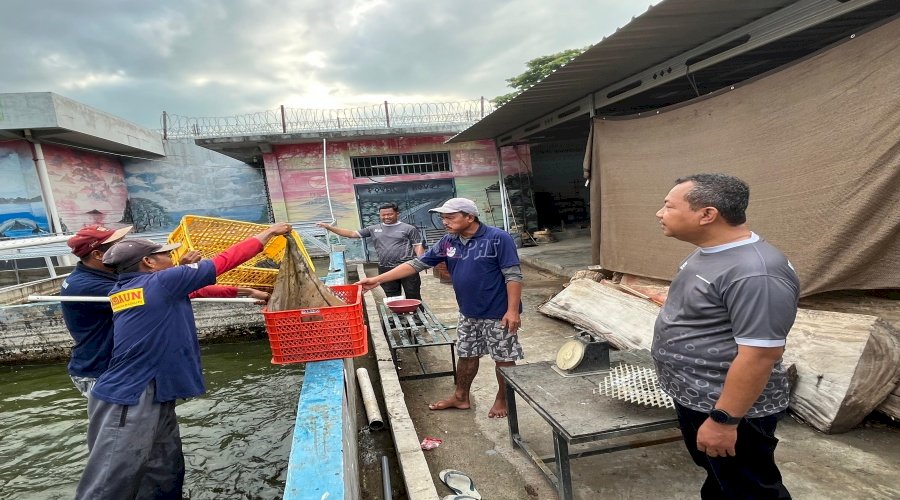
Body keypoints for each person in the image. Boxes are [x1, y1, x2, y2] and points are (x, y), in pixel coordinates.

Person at [75, 223, 292, 499]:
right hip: (130, 395)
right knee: (110, 481)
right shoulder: (160, 282)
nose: (172, 257)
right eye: (166, 254)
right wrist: (269, 233)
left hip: (157, 390)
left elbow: (196, 290)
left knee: (164, 468)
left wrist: (243, 291)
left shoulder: (132, 287)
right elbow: (225, 261)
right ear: (149, 262)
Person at [653, 173, 798, 499]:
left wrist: (723, 420)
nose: (660, 213)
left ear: (707, 214)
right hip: (697, 396)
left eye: (669, 206)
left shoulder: (756, 272)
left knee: (751, 491)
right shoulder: (708, 252)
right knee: (721, 481)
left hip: (728, 408)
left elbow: (760, 355)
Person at [356, 198, 523, 418]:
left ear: (470, 217)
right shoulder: (449, 241)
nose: (445, 221)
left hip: (498, 313)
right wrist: (377, 280)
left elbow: (513, 275)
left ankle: (503, 399)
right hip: (468, 312)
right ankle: (461, 397)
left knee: (503, 357)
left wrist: (512, 311)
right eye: (443, 217)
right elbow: (416, 264)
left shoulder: (498, 238)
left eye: (450, 217)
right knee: (466, 354)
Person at [60, 225, 269, 399]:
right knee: (126, 427)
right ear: (98, 254)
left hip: (134, 368)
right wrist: (177, 273)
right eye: (117, 244)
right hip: (105, 372)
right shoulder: (87, 286)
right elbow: (160, 289)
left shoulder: (114, 277)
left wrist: (244, 291)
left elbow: (172, 289)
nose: (123, 245)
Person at [318, 202, 424, 300]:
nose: (386, 217)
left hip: (407, 267)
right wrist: (330, 228)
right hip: (385, 268)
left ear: (397, 214)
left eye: (390, 214)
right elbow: (352, 234)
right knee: (392, 297)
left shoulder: (409, 228)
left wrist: (420, 263)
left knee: (413, 294)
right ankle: (398, 313)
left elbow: (417, 245)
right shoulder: (373, 229)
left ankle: (417, 313)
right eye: (383, 215)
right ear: (380, 215)